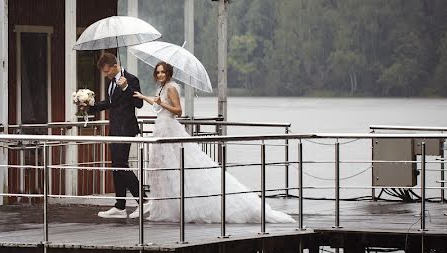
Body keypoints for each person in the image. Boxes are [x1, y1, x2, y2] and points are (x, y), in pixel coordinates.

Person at [132, 61, 294, 224]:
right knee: (166, 169)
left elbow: (178, 111)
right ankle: (168, 206)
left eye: (163, 72)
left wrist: (161, 103)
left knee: (181, 165)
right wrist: (143, 97)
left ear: (169, 73)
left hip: (169, 128)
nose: (160, 74)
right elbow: (158, 105)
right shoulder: (161, 88)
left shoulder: (172, 87)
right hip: (161, 128)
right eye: (158, 72)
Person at [88, 52, 148, 218]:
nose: (105, 75)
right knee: (116, 166)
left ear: (115, 66)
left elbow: (139, 103)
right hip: (114, 129)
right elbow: (111, 103)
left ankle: (144, 201)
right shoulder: (112, 83)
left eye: (107, 72)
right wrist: (91, 106)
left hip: (126, 129)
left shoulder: (131, 79)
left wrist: (126, 88)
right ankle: (120, 206)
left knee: (121, 164)